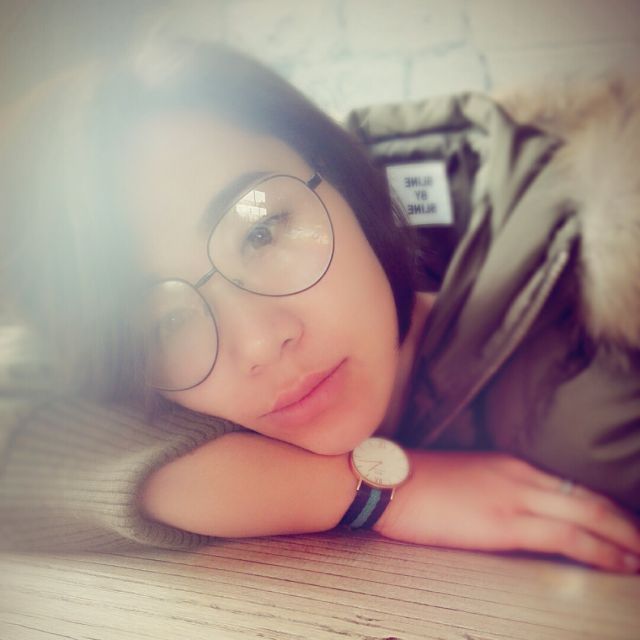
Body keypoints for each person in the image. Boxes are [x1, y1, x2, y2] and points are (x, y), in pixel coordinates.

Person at [1, 40, 639, 572]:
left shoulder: (601, 328)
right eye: (165, 322)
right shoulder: (156, 381)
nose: (258, 343)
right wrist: (378, 492)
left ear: (346, 176)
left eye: (260, 232)